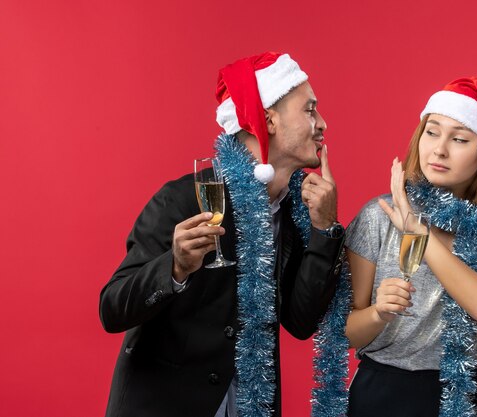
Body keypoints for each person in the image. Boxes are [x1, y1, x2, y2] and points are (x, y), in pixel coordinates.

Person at [99, 52, 350, 417]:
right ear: (269, 120)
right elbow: (112, 308)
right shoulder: (184, 198)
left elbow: (300, 322)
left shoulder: (298, 210)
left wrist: (324, 229)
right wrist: (176, 267)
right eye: (309, 110)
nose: (322, 123)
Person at [344, 77, 477, 417]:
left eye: (459, 138)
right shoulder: (378, 216)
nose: (439, 149)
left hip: (465, 394)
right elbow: (351, 332)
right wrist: (378, 313)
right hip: (382, 395)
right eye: (432, 132)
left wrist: (419, 234)